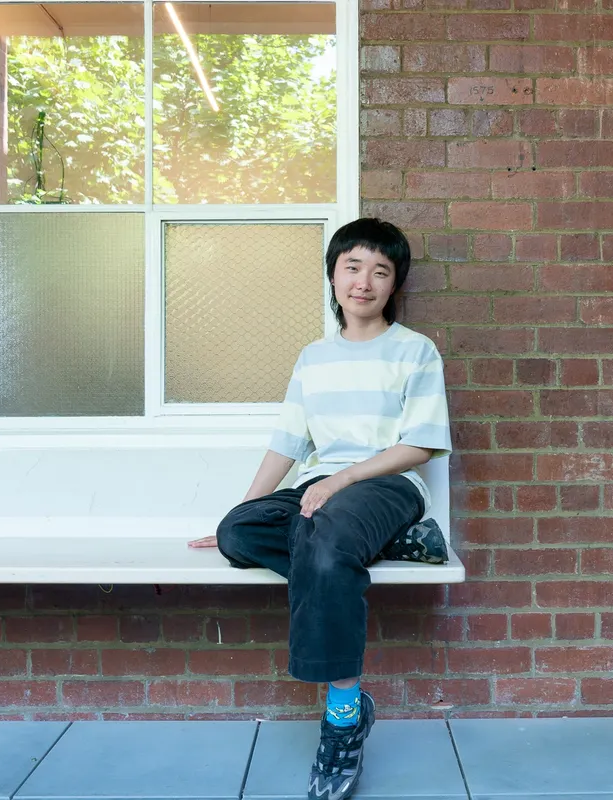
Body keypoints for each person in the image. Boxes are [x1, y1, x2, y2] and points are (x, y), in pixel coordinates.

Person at [189, 218, 450, 800]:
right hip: (321, 492)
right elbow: (287, 442)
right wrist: (245, 510)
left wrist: (345, 478)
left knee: (327, 538)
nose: (365, 281)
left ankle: (341, 717)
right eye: (352, 267)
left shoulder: (414, 350)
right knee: (239, 532)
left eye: (380, 271)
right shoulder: (313, 357)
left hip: (387, 484)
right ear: (333, 277)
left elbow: (422, 443)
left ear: (394, 284)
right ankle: (389, 549)